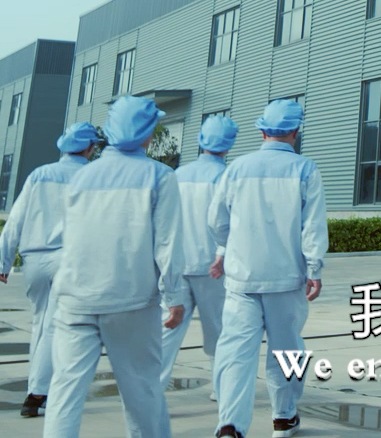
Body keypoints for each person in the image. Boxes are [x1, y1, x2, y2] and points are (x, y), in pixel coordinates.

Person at [41, 96, 185, 438]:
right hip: (130, 300)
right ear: (148, 132)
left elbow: (65, 234)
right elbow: (167, 244)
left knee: (64, 392)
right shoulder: (159, 176)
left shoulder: (82, 177)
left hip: (74, 298)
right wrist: (174, 296)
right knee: (141, 391)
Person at [209, 100, 326, 438]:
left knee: (236, 353)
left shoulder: (237, 168)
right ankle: (284, 418)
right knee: (287, 351)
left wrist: (229, 249)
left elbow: (217, 221)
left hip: (241, 279)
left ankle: (230, 425)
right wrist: (314, 268)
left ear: (262, 131)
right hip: (286, 279)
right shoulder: (305, 170)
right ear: (295, 132)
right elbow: (312, 226)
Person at [0, 122, 102, 417]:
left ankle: (38, 387)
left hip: (34, 262)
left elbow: (15, 220)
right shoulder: (92, 176)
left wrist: (4, 261)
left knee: (41, 325)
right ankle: (37, 394)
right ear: (89, 147)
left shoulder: (39, 174)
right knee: (59, 328)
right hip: (69, 261)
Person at [161, 114, 238, 394]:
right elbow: (231, 222)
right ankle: (221, 391)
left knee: (168, 330)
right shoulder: (227, 177)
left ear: (200, 140)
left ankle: (151, 390)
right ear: (229, 145)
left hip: (177, 265)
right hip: (213, 267)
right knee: (219, 331)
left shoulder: (176, 175)